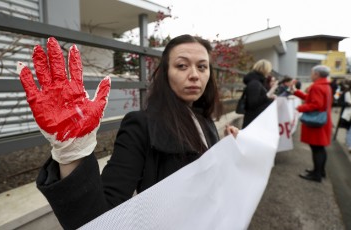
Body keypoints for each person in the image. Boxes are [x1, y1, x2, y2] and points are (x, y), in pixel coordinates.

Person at [17, 35, 239, 229]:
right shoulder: (142, 125)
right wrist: (72, 151)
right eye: (182, 66)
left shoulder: (205, 120)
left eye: (202, 66)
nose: (194, 75)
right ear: (164, 73)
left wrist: (230, 145)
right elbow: (99, 219)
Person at [291, 65, 332, 182]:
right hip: (323, 120)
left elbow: (316, 104)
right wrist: (297, 92)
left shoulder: (317, 87)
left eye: (312, 73)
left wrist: (300, 107)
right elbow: (311, 99)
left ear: (317, 74)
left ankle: (316, 174)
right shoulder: (325, 86)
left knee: (316, 148)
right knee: (320, 148)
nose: (311, 75)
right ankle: (320, 171)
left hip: (317, 122)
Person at [242, 59, 276, 128]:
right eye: (269, 69)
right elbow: (253, 103)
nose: (269, 72)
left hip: (255, 120)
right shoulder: (255, 83)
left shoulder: (258, 81)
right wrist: (267, 96)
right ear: (265, 69)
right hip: (253, 122)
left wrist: (268, 97)